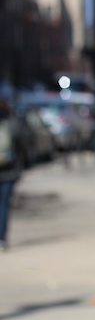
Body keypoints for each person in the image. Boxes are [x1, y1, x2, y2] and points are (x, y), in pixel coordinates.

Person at [0, 98, 22, 251]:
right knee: (4, 205)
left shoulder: (12, 124)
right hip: (9, 171)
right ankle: (1, 238)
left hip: (8, 171)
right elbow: (21, 147)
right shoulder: (12, 123)